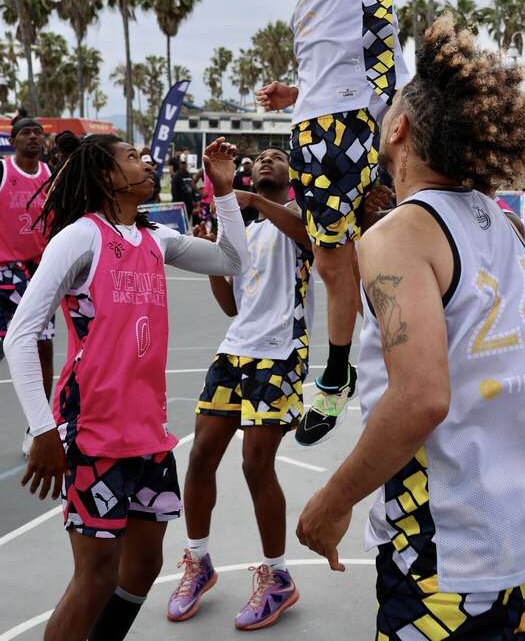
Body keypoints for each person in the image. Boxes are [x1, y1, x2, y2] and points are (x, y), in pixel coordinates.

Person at [296, 16, 525, 640]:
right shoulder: (506, 226)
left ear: (398, 129)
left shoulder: (399, 234)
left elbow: (422, 397)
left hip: (450, 535)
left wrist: (335, 499)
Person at [4, 134, 248, 641]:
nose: (147, 161)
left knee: (141, 568)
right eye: (133, 157)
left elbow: (230, 260)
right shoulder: (81, 238)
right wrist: (43, 428)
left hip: (147, 433)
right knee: (95, 575)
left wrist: (223, 193)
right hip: (91, 429)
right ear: (105, 176)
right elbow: (22, 334)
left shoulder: (156, 239)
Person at [256, 0, 410, 447]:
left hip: (355, 121)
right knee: (329, 257)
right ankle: (348, 366)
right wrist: (294, 95)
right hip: (313, 125)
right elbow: (328, 59)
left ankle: (346, 368)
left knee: (362, 245)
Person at [167, 148, 314, 629]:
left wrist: (244, 195)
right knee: (201, 455)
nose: (265, 161)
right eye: (259, 159)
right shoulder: (243, 230)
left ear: (292, 173)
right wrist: (213, 256)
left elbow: (309, 237)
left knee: (255, 464)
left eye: (276, 156)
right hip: (235, 351)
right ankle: (198, 560)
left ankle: (278, 576)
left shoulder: (302, 213)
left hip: (281, 352)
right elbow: (231, 305)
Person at [0, 118, 53, 457]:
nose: (33, 137)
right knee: (14, 350)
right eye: (26, 132)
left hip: (42, 272)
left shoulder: (51, 175)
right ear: (13, 139)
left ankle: (37, 428)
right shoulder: (3, 171)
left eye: (38, 132)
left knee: (43, 350)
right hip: (5, 271)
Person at [171, 154, 195, 220]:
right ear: (179, 164)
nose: (183, 165)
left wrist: (194, 200)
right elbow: (174, 191)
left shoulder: (189, 175)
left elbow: (192, 188)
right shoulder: (176, 176)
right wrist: (176, 204)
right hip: (180, 203)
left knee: (187, 221)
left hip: (189, 204)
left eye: (184, 163)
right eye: (182, 163)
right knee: (179, 221)